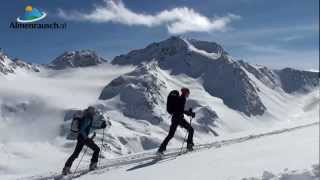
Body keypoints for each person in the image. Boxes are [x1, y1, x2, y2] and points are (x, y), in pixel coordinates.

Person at [62, 106, 107, 175]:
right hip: (83, 138)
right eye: (93, 111)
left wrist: (100, 126)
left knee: (75, 154)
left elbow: (90, 126)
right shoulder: (88, 118)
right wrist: (86, 138)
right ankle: (93, 165)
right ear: (91, 111)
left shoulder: (86, 117)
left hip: (80, 138)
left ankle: (66, 169)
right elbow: (82, 129)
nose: (94, 112)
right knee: (97, 149)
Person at [158, 87, 195, 154]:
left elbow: (178, 109)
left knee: (171, 135)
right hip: (179, 119)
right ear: (185, 93)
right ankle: (189, 145)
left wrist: (188, 113)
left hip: (174, 118)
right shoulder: (182, 98)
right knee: (191, 130)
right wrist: (189, 113)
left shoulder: (178, 98)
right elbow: (180, 110)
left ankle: (161, 149)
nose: (188, 95)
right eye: (188, 93)